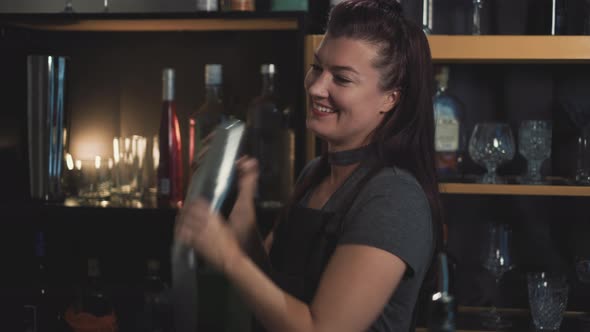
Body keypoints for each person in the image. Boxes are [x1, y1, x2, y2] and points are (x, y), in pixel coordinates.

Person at [175, 0, 443, 331]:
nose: (316, 87)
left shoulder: (394, 198)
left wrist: (229, 257)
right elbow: (279, 302)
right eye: (318, 68)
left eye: (342, 79)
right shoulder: (314, 174)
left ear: (391, 98)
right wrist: (242, 225)